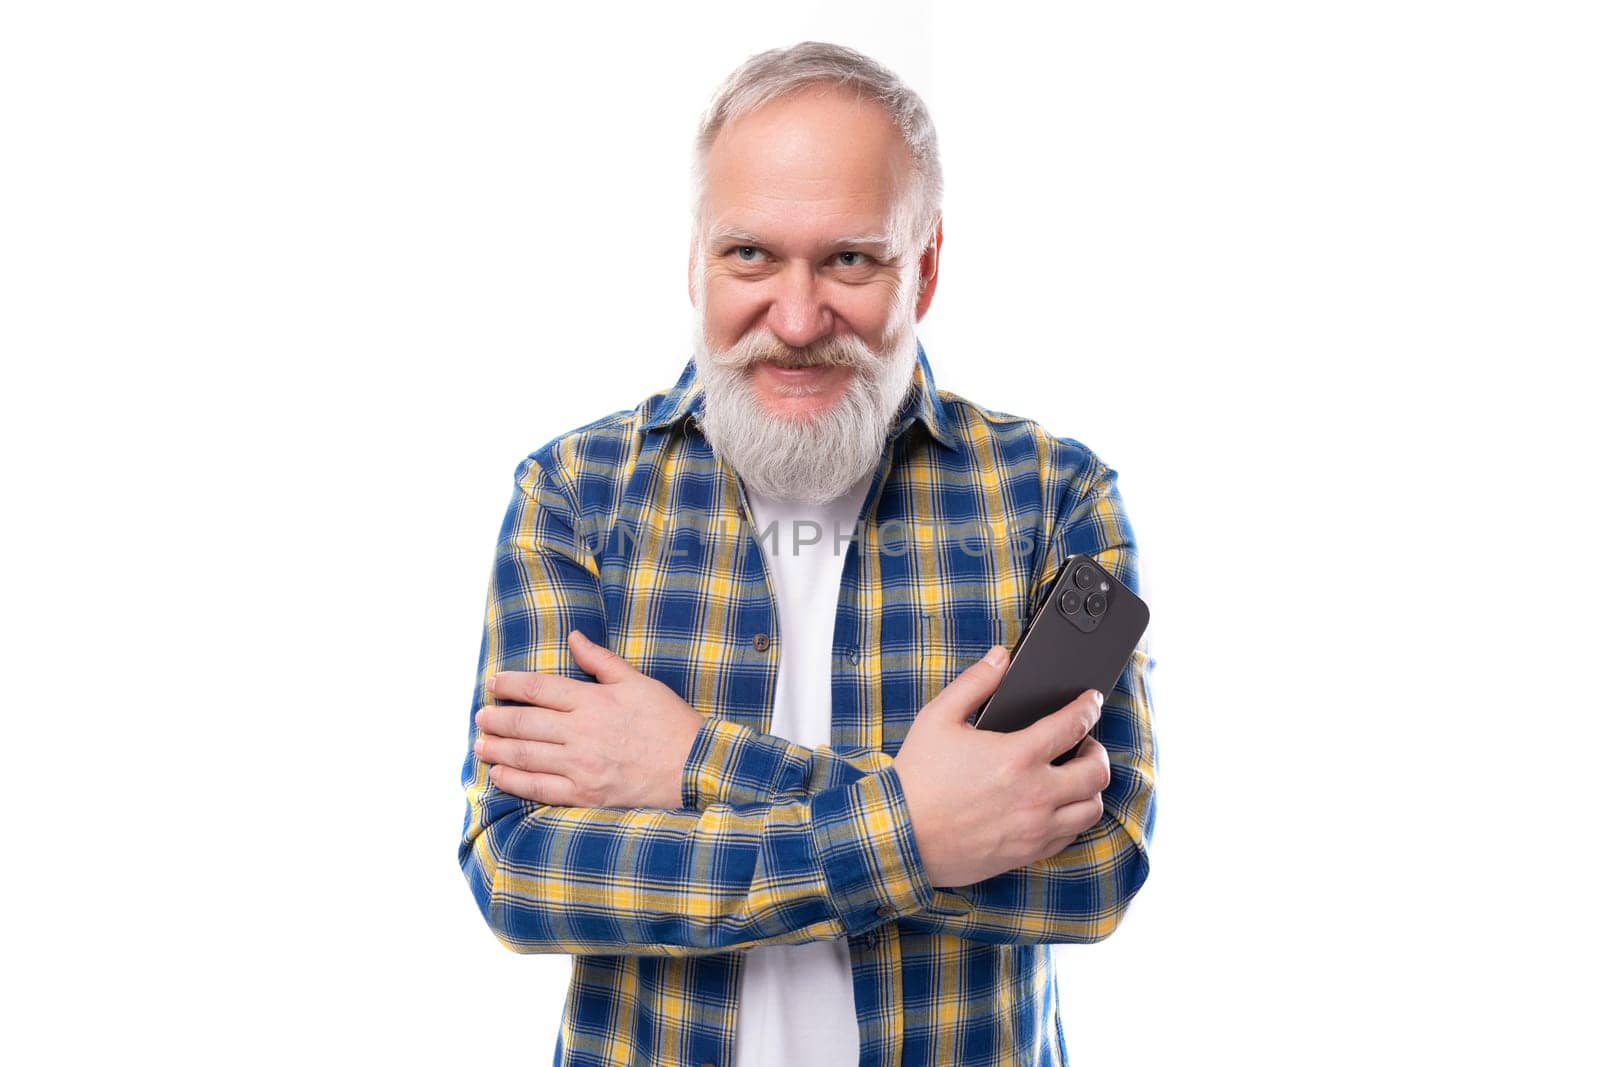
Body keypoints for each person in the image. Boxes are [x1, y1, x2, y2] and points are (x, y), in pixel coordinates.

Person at [458, 41, 1156, 1067]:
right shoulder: (574, 493)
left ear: (920, 268)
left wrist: (690, 762)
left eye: (849, 259)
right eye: (750, 255)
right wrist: (922, 824)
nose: (794, 318)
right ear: (694, 259)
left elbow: (1092, 870)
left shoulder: (1052, 499)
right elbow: (522, 873)